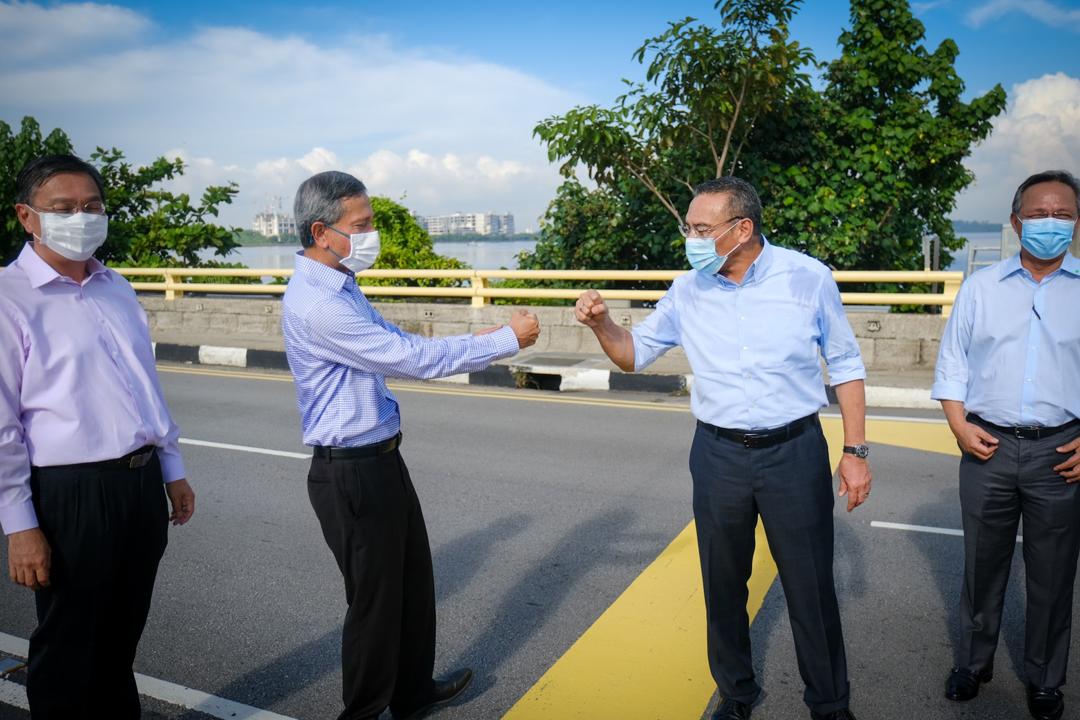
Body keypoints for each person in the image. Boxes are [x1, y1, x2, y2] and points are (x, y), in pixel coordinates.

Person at [575, 177, 871, 720]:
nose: (690, 237)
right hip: (718, 455)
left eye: (701, 228)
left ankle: (830, 705)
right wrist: (602, 323)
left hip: (795, 450)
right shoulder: (688, 288)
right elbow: (633, 354)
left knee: (810, 587)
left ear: (743, 229)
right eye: (689, 227)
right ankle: (736, 694)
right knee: (723, 584)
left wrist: (855, 451)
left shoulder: (807, 278)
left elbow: (847, 365)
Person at [282, 171, 540, 720]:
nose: (373, 233)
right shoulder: (318, 304)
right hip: (350, 472)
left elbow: (399, 344)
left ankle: (412, 690)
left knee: (413, 584)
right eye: (364, 224)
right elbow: (409, 360)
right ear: (322, 231)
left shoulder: (341, 284)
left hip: (380, 458)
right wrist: (503, 339)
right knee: (375, 605)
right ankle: (364, 711)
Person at [0, 154, 195, 717]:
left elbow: (145, 387)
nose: (81, 218)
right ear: (26, 217)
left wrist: (172, 468)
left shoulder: (116, 287)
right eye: (63, 209)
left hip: (138, 485)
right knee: (67, 649)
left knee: (119, 640)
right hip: (68, 495)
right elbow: (2, 428)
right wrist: (20, 527)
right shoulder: (11, 299)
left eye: (92, 207)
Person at [933, 170, 1080, 720]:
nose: (1049, 223)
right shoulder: (980, 287)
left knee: (1053, 571)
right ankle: (974, 663)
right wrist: (957, 423)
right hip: (986, 445)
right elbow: (952, 362)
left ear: (1077, 223)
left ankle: (1045, 678)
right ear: (1016, 222)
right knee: (982, 564)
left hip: (1062, 452)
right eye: (1037, 214)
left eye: (1061, 214)